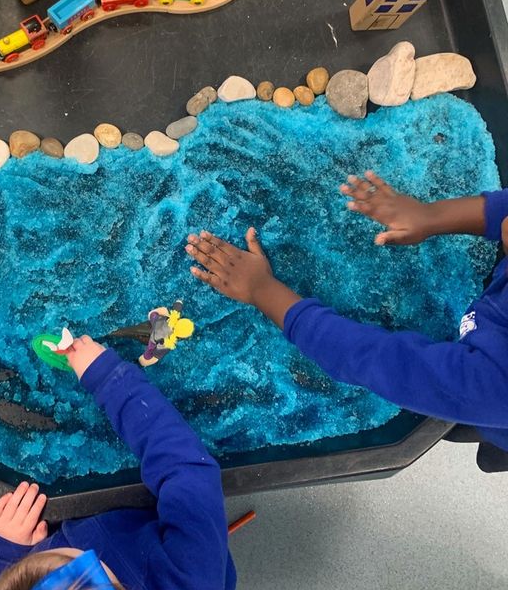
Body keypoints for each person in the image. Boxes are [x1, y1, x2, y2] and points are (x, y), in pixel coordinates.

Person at [185, 171, 508, 472]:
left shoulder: (493, 384)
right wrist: (431, 216)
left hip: (488, 396)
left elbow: (375, 359)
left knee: (467, 426)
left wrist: (263, 290)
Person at [0, 334, 235, 590]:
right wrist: (109, 378)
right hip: (162, 539)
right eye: (71, 558)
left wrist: (3, 555)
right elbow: (187, 470)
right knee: (201, 528)